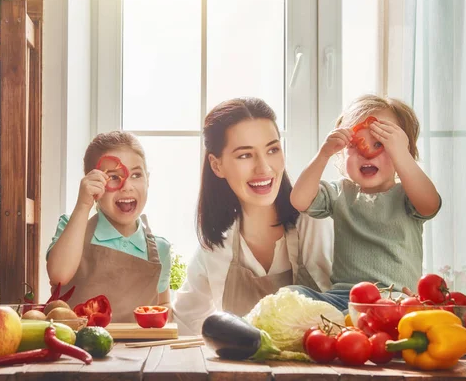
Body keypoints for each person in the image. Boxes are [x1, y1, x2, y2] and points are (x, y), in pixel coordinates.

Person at [172, 97, 334, 335]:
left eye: (272, 149)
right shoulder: (216, 247)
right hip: (242, 372)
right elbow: (183, 325)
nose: (264, 168)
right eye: (245, 155)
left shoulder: (315, 219)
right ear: (217, 166)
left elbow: (344, 308)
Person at [289, 94, 441, 310]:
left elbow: (430, 204)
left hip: (393, 298)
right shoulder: (339, 192)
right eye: (356, 144)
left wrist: (401, 152)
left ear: (404, 153)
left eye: (380, 144)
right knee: (292, 294)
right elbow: (299, 200)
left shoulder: (408, 195)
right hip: (344, 297)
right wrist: (324, 154)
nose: (367, 153)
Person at [46, 131, 172, 322]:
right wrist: (83, 205)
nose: (127, 186)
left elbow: (162, 305)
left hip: (137, 350)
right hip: (79, 347)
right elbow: (59, 275)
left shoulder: (160, 249)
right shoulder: (72, 228)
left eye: (136, 175)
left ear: (148, 179)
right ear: (93, 182)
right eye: (113, 177)